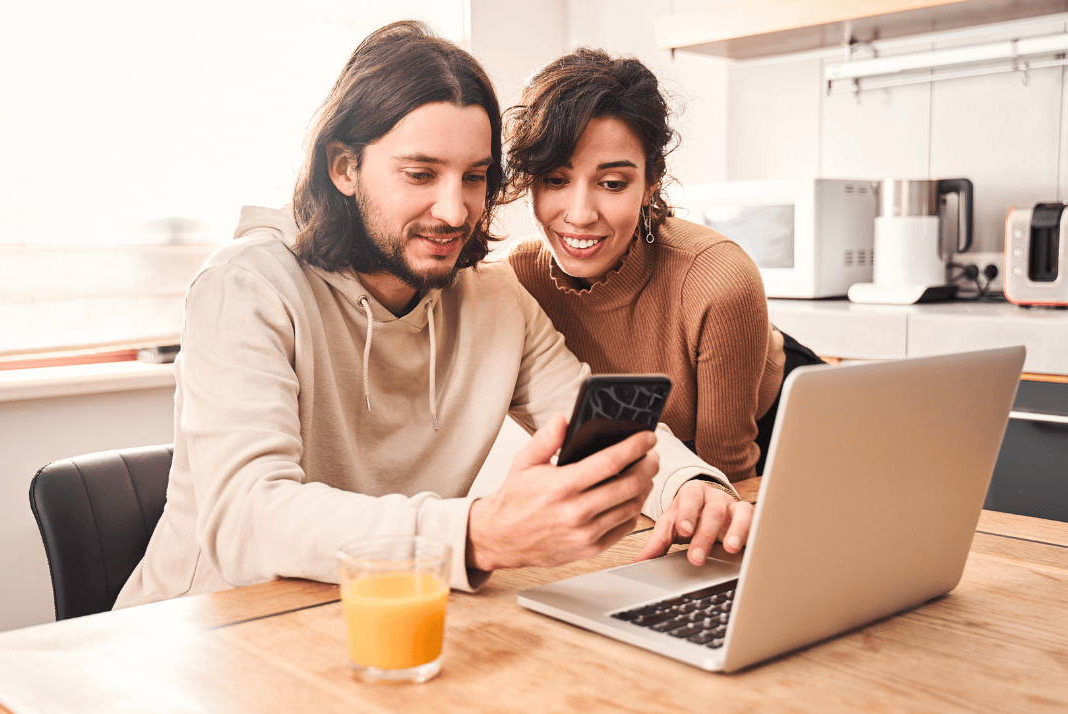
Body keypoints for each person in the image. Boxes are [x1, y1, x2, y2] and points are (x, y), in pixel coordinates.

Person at [114, 22, 746, 610]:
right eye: (420, 174)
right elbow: (249, 520)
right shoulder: (247, 287)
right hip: (208, 633)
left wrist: (694, 486)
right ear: (345, 168)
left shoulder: (493, 301)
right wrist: (479, 535)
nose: (453, 210)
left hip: (385, 615)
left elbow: (597, 422)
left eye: (474, 178)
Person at [503, 48, 825, 547]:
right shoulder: (523, 279)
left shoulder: (716, 277)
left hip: (782, 431)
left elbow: (729, 475)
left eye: (612, 183)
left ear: (651, 182)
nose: (580, 213)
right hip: (665, 457)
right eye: (556, 181)